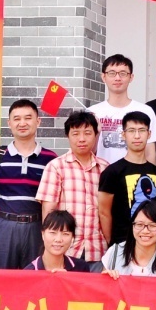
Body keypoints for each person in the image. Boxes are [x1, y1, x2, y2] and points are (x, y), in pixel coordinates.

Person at [0, 99, 57, 270]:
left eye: (28, 118)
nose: (22, 123)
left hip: (36, 227)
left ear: (38, 121)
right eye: (17, 118)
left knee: (35, 278)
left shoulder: (51, 159)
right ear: (9, 123)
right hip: (3, 226)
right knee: (0, 279)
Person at [36, 110, 109, 262]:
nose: (81, 139)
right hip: (67, 250)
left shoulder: (105, 168)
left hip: (98, 249)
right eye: (75, 133)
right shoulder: (56, 167)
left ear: (96, 135)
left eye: (87, 133)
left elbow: (109, 211)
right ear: (67, 136)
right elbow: (49, 212)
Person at [97, 111, 156, 251]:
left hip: (152, 242)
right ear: (123, 135)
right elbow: (104, 212)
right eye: (131, 131)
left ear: (149, 134)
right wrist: (112, 242)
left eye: (142, 130)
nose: (137, 136)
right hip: (122, 243)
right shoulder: (112, 172)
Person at [89, 54, 156, 164]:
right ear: (103, 77)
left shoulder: (145, 111)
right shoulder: (92, 112)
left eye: (123, 73)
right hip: (101, 172)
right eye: (112, 73)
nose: (117, 78)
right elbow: (86, 152)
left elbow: (150, 152)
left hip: (134, 173)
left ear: (131, 77)